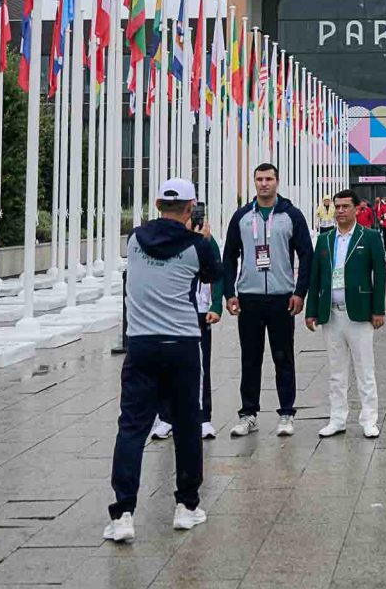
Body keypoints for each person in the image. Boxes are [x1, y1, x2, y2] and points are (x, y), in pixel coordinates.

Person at [105, 179, 225, 542]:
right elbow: (214, 276)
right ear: (191, 208)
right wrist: (202, 237)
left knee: (132, 427)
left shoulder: (134, 240)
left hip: (141, 345)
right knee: (187, 426)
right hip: (183, 345)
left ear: (157, 204)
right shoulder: (197, 246)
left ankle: (123, 513)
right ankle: (186, 506)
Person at [221, 163, 313, 438]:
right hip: (249, 297)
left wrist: (300, 292)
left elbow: (306, 255)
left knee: (282, 356)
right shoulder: (241, 217)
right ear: (254, 182)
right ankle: (248, 413)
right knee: (250, 358)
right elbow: (229, 256)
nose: (264, 184)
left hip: (281, 297)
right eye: (259, 179)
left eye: (269, 179)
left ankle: (286, 413)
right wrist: (229, 293)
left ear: (277, 181)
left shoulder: (291, 216)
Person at [305, 190, 386, 439]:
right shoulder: (325, 239)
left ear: (356, 208)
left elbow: (380, 275)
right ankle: (337, 418)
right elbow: (316, 276)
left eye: (345, 207)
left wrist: (377, 310)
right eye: (337, 207)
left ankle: (369, 419)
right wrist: (311, 311)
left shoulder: (370, 237)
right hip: (331, 313)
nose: (340, 211)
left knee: (365, 369)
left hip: (359, 314)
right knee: (336, 371)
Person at [151, 201, 220, 442]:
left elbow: (217, 273)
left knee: (201, 366)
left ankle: (203, 417)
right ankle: (166, 417)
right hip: (171, 312)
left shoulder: (206, 242)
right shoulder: (171, 242)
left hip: (200, 312)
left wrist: (216, 306)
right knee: (165, 366)